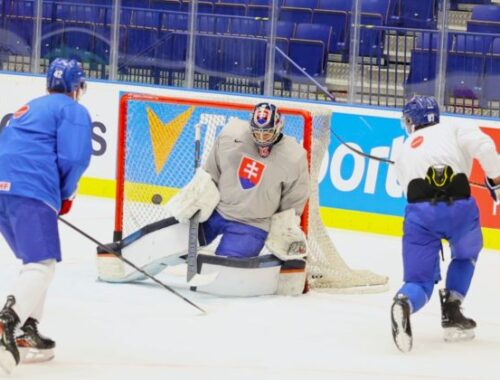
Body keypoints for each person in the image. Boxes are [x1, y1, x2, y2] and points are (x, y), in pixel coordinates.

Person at [0, 58, 92, 373]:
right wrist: (64, 195)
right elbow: (74, 157)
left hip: (3, 190)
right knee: (42, 264)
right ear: (78, 87)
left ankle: (26, 329)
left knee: (34, 263)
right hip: (30, 189)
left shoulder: (29, 106)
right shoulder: (72, 110)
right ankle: (6, 327)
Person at [390, 95, 500, 353]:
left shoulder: (405, 148)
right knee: (465, 255)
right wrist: (495, 179)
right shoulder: (454, 126)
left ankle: (404, 302)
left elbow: (405, 187)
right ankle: (452, 310)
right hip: (458, 210)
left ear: (412, 120)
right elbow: (484, 147)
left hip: (419, 215)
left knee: (420, 281)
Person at [169, 102, 310, 260]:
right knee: (173, 244)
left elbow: (293, 201)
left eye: (267, 134)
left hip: (253, 225)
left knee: (226, 265)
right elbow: (212, 171)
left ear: (278, 127)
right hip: (216, 212)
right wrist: (198, 195)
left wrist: (283, 227)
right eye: (257, 133)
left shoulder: (294, 157)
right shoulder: (231, 135)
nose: (261, 138)